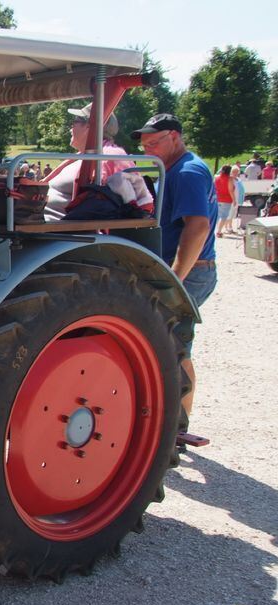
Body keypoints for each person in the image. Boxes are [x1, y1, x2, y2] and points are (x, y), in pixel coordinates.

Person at [131, 113, 217, 422]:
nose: (148, 150)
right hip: (188, 268)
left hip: (191, 271)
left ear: (175, 138)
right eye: (145, 145)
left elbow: (198, 227)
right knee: (171, 344)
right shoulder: (174, 170)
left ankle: (179, 426)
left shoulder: (187, 172)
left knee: (175, 348)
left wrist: (175, 279)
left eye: (154, 143)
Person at [43, 103, 132, 220]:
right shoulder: (81, 158)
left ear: (89, 126)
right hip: (36, 221)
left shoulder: (110, 157)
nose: (70, 128)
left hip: (60, 228)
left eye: (75, 121)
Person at [214, 165, 235, 236]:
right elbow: (230, 190)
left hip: (217, 198)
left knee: (217, 215)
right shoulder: (230, 179)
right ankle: (219, 231)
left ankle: (212, 230)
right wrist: (234, 200)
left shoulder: (216, 178)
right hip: (226, 199)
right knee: (224, 216)